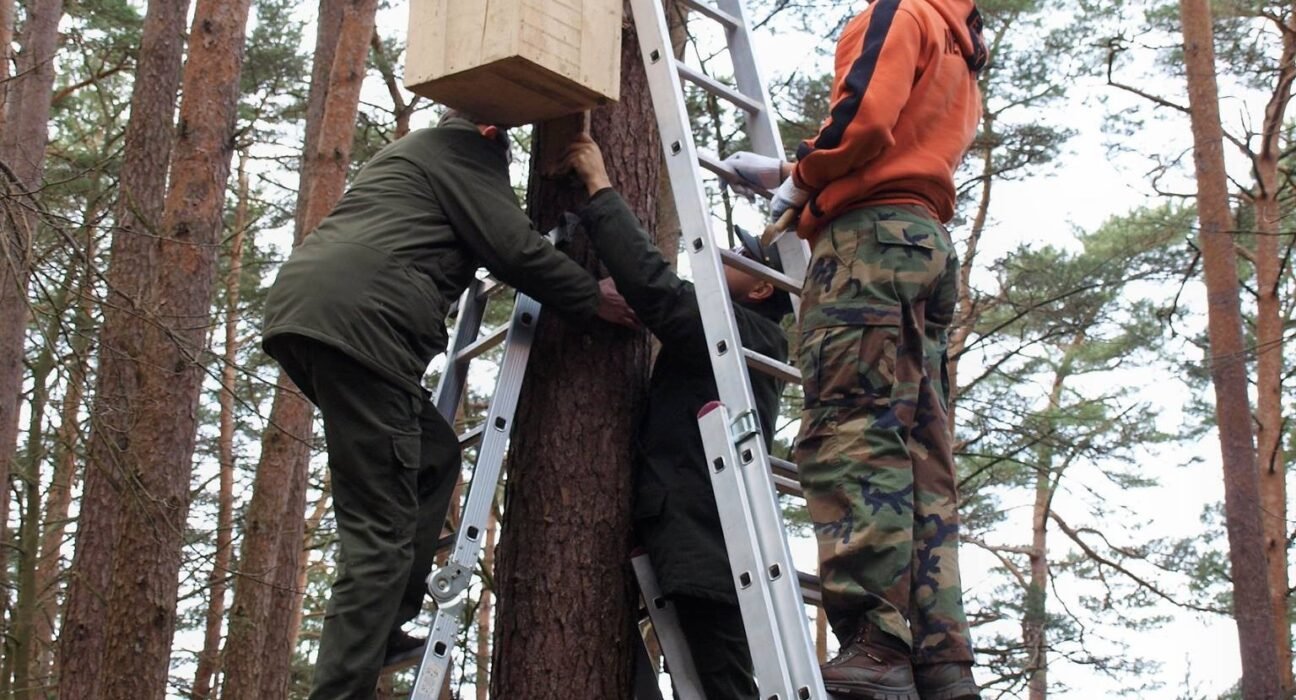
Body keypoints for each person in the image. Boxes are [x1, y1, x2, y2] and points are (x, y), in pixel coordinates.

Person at [260, 111, 636, 700]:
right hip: (362, 325)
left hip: (316, 319)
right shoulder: (462, 152)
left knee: (434, 456)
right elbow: (514, 248)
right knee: (379, 527)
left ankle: (382, 626)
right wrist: (591, 296)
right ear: (490, 133)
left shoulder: (413, 154)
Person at [720, 2, 988, 699]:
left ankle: (876, 643)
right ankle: (940, 659)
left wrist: (805, 176)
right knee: (920, 450)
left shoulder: (898, 11)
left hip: (867, 246)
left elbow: (863, 121)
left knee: (854, 429)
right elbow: (893, 142)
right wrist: (792, 171)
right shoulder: (958, 46)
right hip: (922, 243)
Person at [564, 133, 793, 699]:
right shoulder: (744, 334)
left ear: (763, 287)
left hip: (710, 549)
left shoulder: (743, 333)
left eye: (741, 257)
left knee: (725, 688)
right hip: (702, 540)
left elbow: (657, 292)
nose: (721, 254)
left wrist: (600, 189)